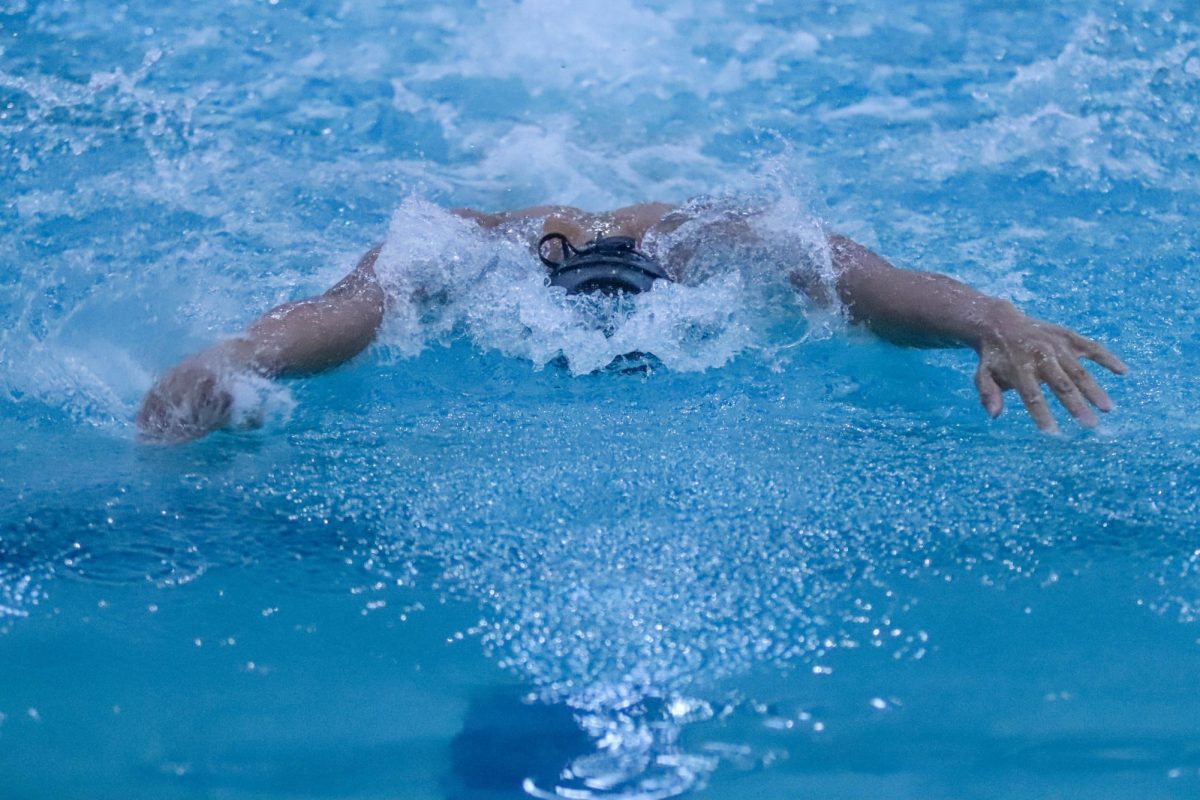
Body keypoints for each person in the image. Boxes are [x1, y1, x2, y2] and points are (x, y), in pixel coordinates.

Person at [136, 201, 1127, 442]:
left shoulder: (720, 234)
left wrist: (992, 317)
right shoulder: (486, 241)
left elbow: (868, 281)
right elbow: (354, 307)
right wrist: (241, 356)